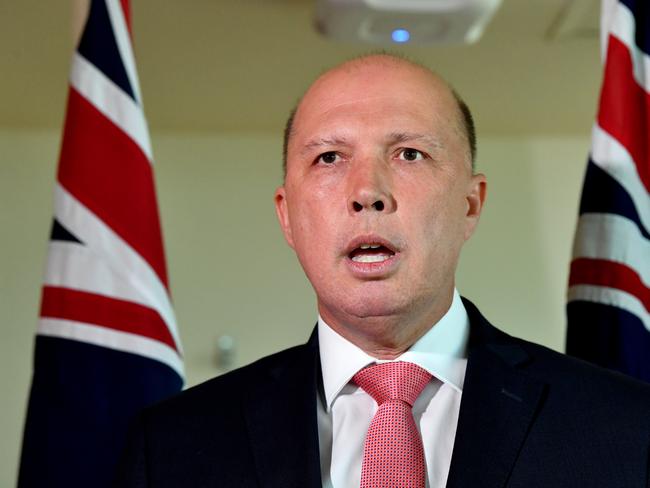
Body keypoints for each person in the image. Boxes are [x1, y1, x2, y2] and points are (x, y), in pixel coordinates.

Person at [114, 54, 650, 488]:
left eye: (410, 154)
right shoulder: (170, 447)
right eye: (328, 158)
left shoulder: (626, 428)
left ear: (470, 204)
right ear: (287, 217)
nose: (367, 192)